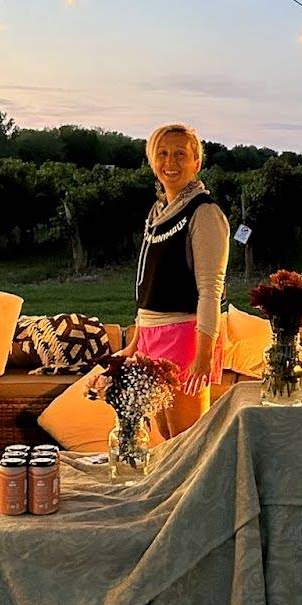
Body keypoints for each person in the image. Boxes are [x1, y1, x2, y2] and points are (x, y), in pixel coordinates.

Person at [125, 122, 229, 437]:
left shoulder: (204, 212)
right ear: (152, 161)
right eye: (163, 153)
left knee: (189, 445)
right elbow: (150, 283)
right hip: (151, 338)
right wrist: (135, 343)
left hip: (186, 337)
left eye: (180, 154)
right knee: (167, 441)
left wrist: (202, 357)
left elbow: (211, 291)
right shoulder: (158, 213)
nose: (170, 162)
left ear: (196, 163)